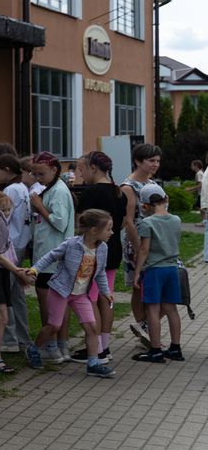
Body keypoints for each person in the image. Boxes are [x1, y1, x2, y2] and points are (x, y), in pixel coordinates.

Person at [25, 209, 116, 378]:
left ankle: (93, 363)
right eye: (108, 229)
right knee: (54, 326)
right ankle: (33, 349)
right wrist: (35, 269)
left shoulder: (103, 248)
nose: (112, 232)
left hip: (80, 294)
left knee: (92, 326)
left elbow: (101, 272)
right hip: (60, 291)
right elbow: (50, 257)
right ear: (94, 230)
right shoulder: (71, 244)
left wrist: (105, 291)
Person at [74, 151, 125, 362]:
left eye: (81, 169)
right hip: (113, 249)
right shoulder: (119, 192)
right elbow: (122, 222)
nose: (80, 174)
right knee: (107, 297)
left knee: (91, 298)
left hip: (93, 252)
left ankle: (97, 350)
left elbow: (80, 224)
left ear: (93, 168)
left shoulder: (91, 193)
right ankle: (104, 346)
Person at [28, 152, 75, 361]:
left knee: (48, 303)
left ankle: (52, 346)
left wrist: (39, 206)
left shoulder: (58, 191)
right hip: (51, 254)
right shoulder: (52, 188)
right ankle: (61, 346)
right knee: (59, 304)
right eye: (35, 174)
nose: (37, 178)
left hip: (52, 258)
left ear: (55, 170)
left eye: (41, 173)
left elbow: (59, 222)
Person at [131, 184, 185, 363]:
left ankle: (155, 350)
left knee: (152, 309)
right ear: (165, 199)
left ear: (145, 205)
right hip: (172, 269)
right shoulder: (176, 220)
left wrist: (137, 272)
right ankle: (175, 348)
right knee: (171, 309)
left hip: (154, 270)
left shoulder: (147, 222)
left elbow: (144, 250)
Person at [0, 191, 32, 373]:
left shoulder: (2, 225)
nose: (6, 213)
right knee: (2, 315)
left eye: (8, 210)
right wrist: (18, 272)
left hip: (1, 272)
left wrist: (16, 272)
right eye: (2, 210)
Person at [0, 155, 34, 355]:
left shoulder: (10, 190)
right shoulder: (22, 187)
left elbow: (0, 219)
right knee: (16, 295)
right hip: (19, 244)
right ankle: (22, 337)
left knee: (5, 296)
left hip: (9, 246)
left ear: (7, 169)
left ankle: (9, 339)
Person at [121, 143, 162, 348]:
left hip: (155, 241)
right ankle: (144, 332)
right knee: (138, 288)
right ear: (138, 161)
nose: (156, 164)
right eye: (151, 160)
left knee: (158, 287)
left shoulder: (153, 184)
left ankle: (145, 327)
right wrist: (138, 249)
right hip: (136, 242)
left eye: (158, 161)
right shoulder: (128, 187)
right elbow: (128, 221)